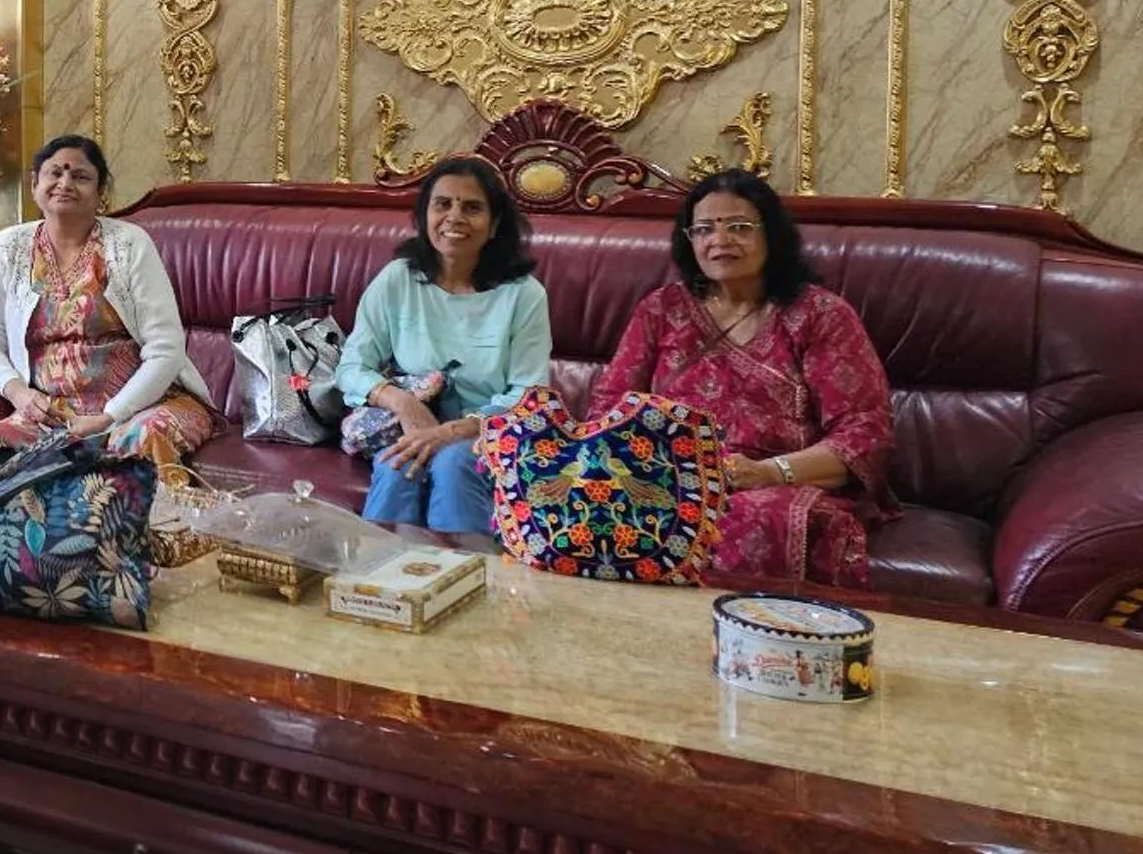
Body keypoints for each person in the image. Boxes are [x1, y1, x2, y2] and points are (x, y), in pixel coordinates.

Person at [593, 171, 896, 586]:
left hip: (780, 480)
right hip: (671, 475)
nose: (719, 240)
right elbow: (610, 408)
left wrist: (767, 472)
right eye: (704, 229)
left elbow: (864, 434)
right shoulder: (661, 309)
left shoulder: (820, 315)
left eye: (739, 227)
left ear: (772, 234)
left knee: (743, 517)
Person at [0, 134, 214, 466]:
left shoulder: (129, 244)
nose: (65, 183)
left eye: (80, 176)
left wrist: (111, 416)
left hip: (144, 406)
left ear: (100, 192)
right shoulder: (9, 247)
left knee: (142, 440)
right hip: (53, 414)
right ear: (35, 183)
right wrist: (19, 394)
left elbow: (166, 349)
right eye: (55, 173)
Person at [339, 156, 552, 535]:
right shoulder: (398, 279)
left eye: (472, 208)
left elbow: (528, 394)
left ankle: (469, 569)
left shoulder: (524, 295)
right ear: (425, 216)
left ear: (494, 225)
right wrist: (403, 403)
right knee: (396, 463)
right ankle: (377, 570)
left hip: (489, 432)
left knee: (452, 462)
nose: (454, 217)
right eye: (442, 204)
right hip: (411, 425)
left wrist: (452, 432)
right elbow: (352, 367)